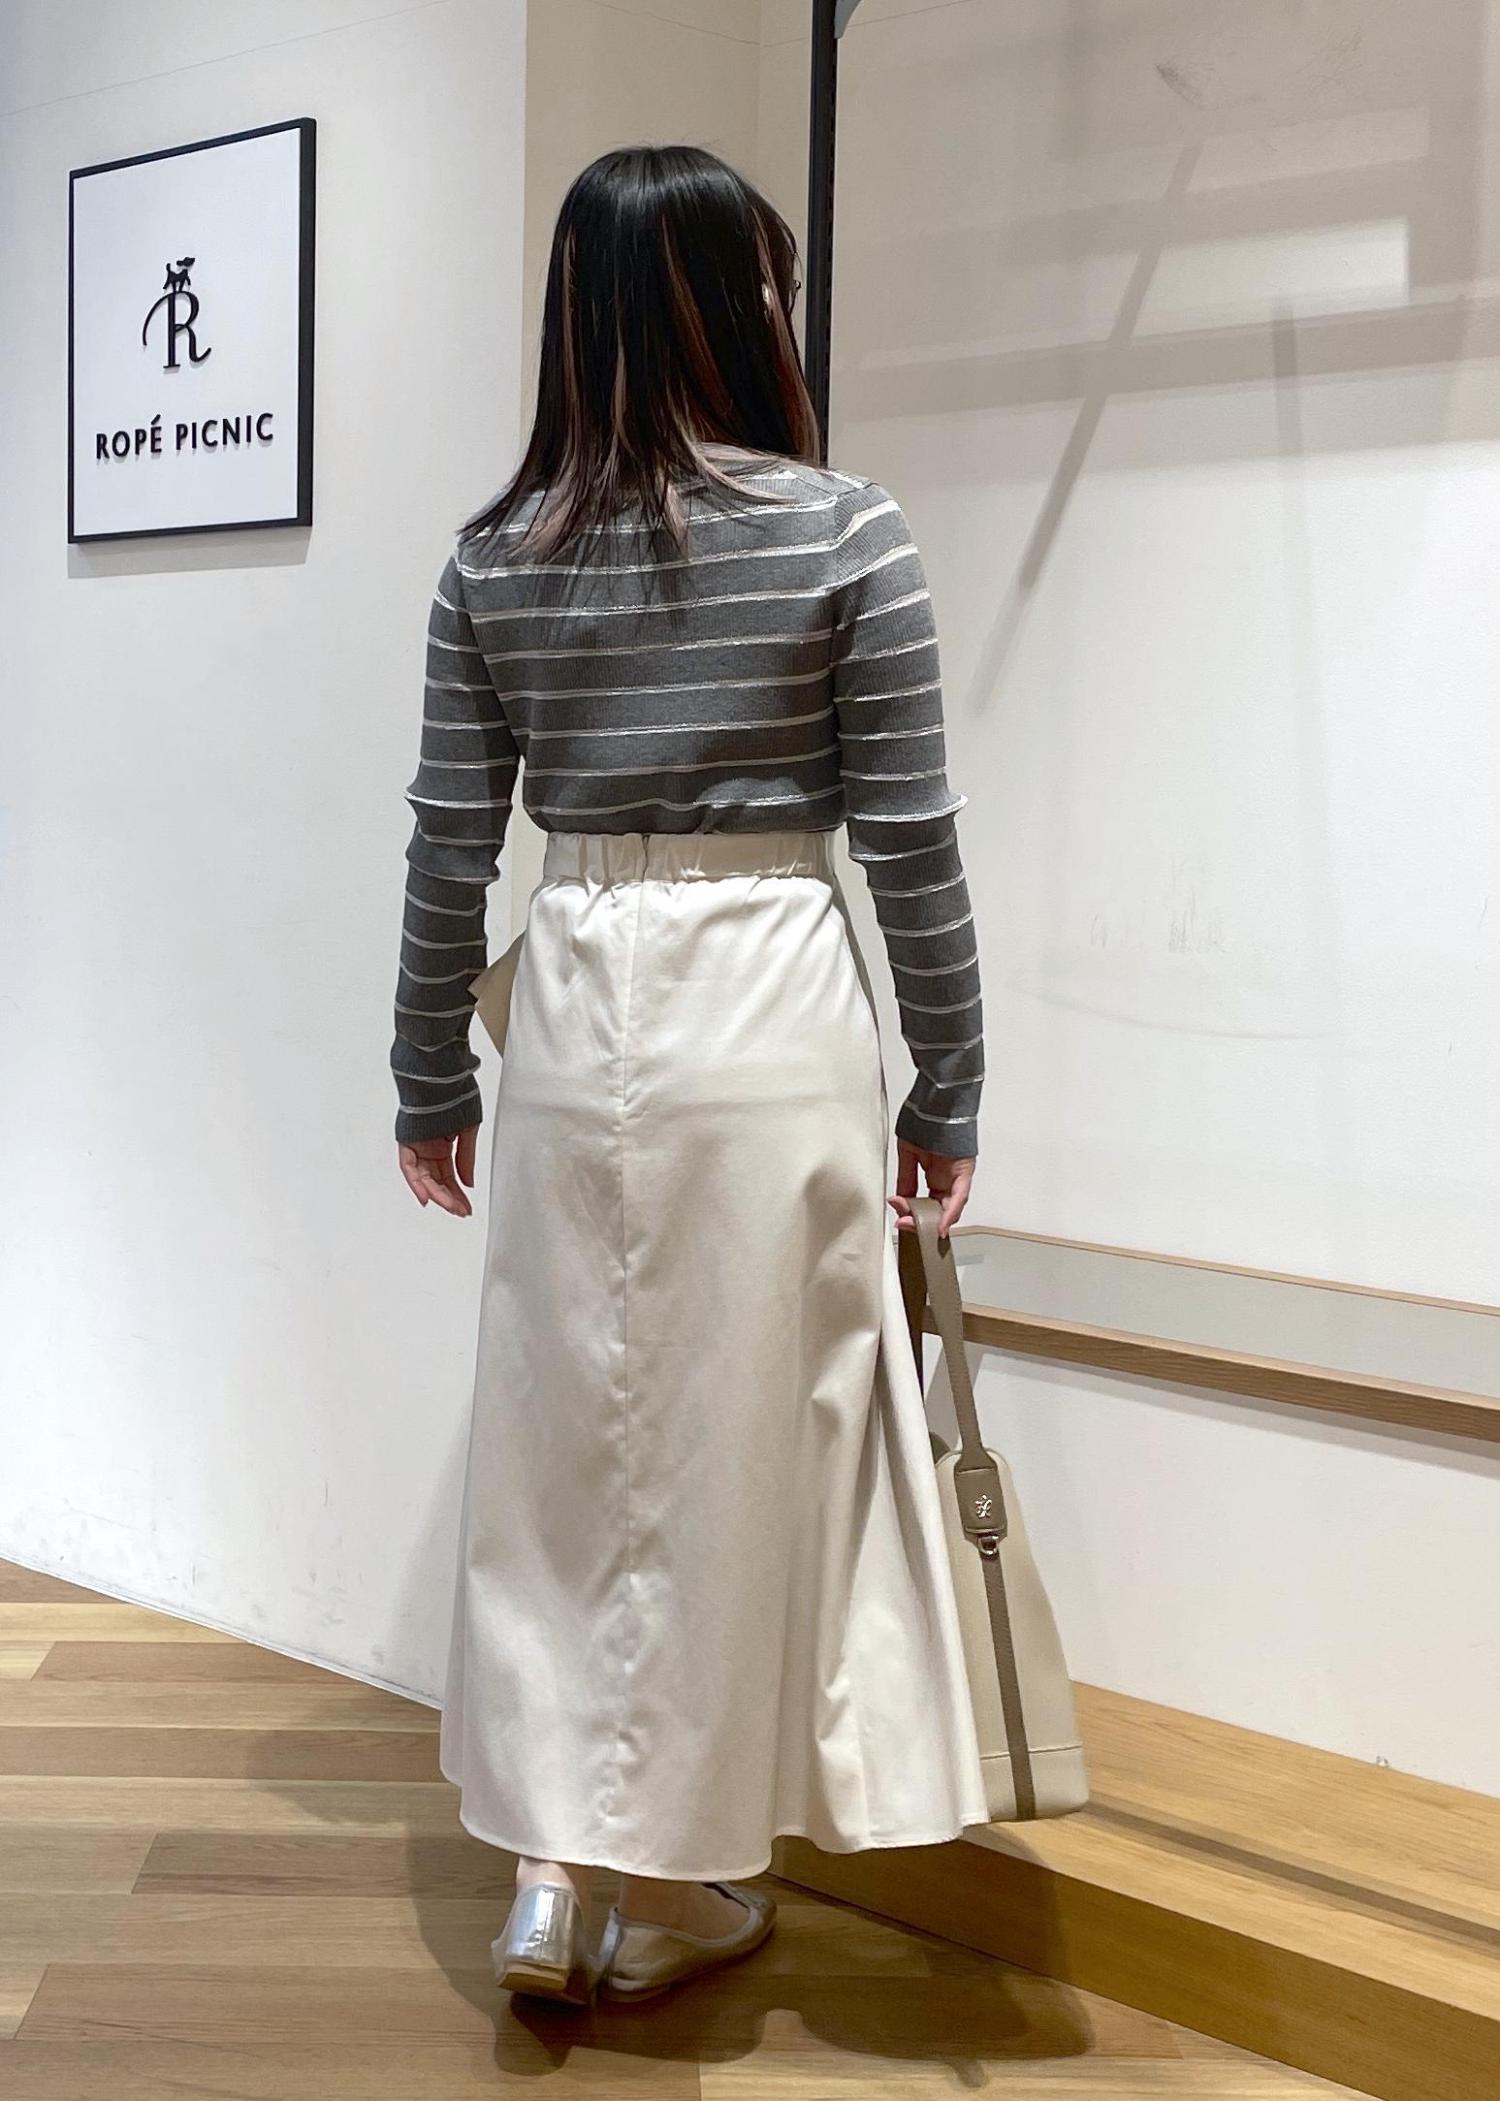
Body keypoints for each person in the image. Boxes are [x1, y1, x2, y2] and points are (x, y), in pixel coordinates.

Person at [391, 143, 988, 2007]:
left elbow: (448, 842)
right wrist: (951, 1083)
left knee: (564, 1439)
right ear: (742, 304)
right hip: (771, 997)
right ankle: (678, 1874)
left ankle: (550, 1872)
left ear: (574, 313)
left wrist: (425, 1073)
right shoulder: (846, 531)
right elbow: (912, 841)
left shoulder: (494, 557)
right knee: (752, 1442)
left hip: (576, 999)